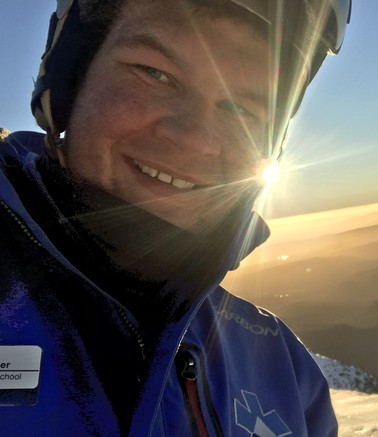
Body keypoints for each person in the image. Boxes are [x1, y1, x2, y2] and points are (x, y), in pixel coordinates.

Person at [0, 0, 351, 435]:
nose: (196, 140)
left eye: (245, 110)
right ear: (71, 76)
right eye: (155, 73)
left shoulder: (283, 371)